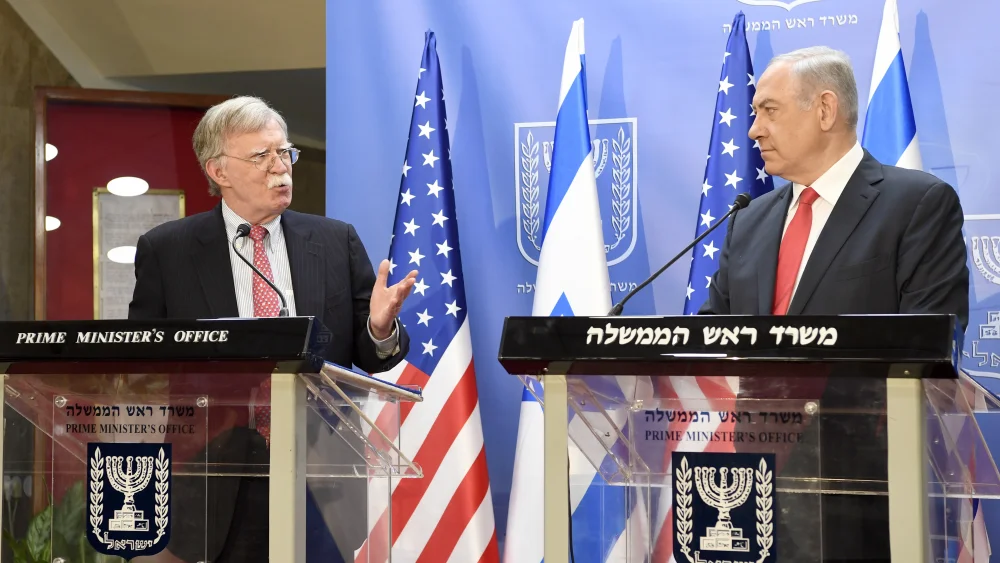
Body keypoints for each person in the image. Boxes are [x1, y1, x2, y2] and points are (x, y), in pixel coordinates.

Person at [700, 47, 969, 563]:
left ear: (824, 110)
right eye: (754, 113)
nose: (754, 129)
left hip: (868, 492)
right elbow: (711, 340)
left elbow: (930, 346)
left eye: (769, 111)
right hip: (748, 494)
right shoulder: (748, 221)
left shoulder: (916, 205)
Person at [128, 96, 418, 562]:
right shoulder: (168, 251)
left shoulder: (333, 239)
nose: (280, 167)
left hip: (322, 475)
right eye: (261, 156)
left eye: (285, 153)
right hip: (215, 474)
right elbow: (143, 365)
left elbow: (370, 353)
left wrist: (380, 327)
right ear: (218, 171)